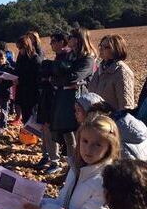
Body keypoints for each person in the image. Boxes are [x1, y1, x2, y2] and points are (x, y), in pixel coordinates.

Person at [23, 115, 120, 209]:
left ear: (110, 147)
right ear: (78, 139)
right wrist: (39, 202)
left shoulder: (105, 182)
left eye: (97, 144)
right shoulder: (77, 168)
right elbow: (64, 203)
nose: (88, 149)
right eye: (85, 141)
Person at [49, 28, 97, 162]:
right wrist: (57, 80)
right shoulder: (70, 56)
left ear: (78, 39)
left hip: (79, 101)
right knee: (67, 135)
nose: (68, 39)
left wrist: (57, 80)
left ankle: (78, 166)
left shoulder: (87, 58)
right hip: (65, 100)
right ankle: (71, 167)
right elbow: (57, 75)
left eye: (71, 37)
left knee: (78, 135)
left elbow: (73, 77)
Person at [74, 93, 147, 161]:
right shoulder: (124, 124)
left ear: (90, 112)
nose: (75, 114)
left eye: (78, 110)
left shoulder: (105, 133)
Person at [36, 33, 70, 174]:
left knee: (52, 129)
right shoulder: (59, 57)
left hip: (60, 99)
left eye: (54, 42)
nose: (51, 44)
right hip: (51, 97)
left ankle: (56, 161)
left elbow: (63, 77)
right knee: (45, 128)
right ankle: (48, 156)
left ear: (63, 42)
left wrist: (51, 77)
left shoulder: (67, 57)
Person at [88, 34, 134, 111]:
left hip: (112, 120)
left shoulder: (122, 72)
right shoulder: (100, 68)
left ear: (116, 50)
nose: (101, 49)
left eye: (106, 47)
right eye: (100, 46)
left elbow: (126, 106)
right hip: (97, 120)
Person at [14, 35, 42, 124]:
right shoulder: (21, 57)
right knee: (25, 116)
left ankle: (32, 136)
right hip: (22, 91)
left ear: (26, 46)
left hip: (32, 93)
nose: (19, 50)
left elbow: (37, 78)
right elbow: (17, 70)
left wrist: (21, 80)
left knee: (32, 117)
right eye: (18, 48)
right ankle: (27, 135)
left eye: (20, 48)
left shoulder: (35, 59)